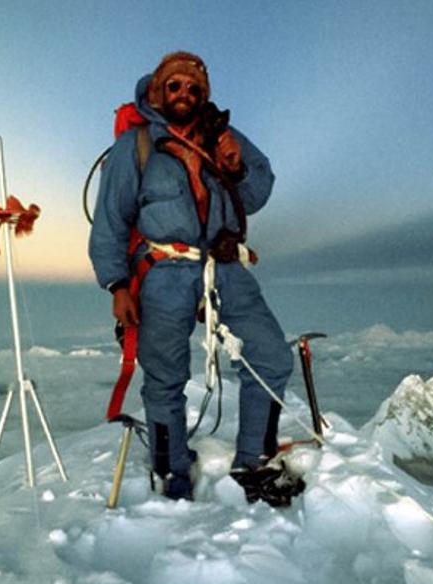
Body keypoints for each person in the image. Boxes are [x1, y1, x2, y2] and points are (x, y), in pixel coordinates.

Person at [89, 51, 301, 505]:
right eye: (174, 86)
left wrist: (237, 166)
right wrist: (117, 285)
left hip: (225, 264)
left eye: (193, 87)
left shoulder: (222, 135)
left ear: (203, 94)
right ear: (158, 91)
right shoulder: (137, 144)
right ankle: (172, 472)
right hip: (163, 270)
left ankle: (254, 462)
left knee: (269, 356)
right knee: (163, 375)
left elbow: (259, 192)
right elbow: (110, 219)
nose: (184, 93)